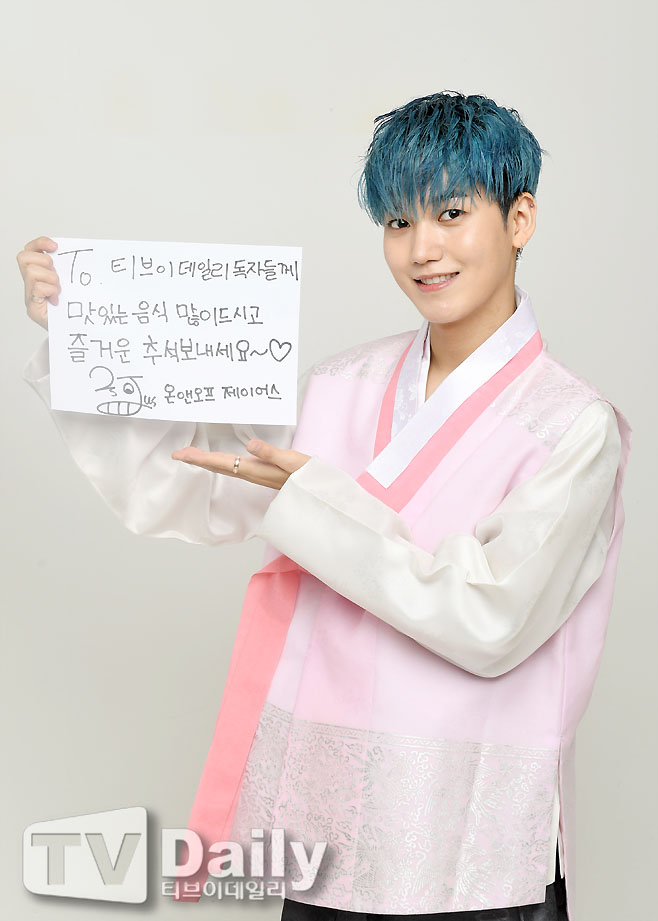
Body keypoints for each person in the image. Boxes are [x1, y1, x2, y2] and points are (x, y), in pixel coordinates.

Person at [18, 91, 631, 921]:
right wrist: (81, 333)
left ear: (520, 218)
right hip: (332, 837)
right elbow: (193, 484)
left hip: (475, 853)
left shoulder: (573, 426)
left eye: (451, 213)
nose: (423, 248)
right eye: (398, 222)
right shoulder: (343, 385)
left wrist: (312, 501)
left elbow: (489, 616)